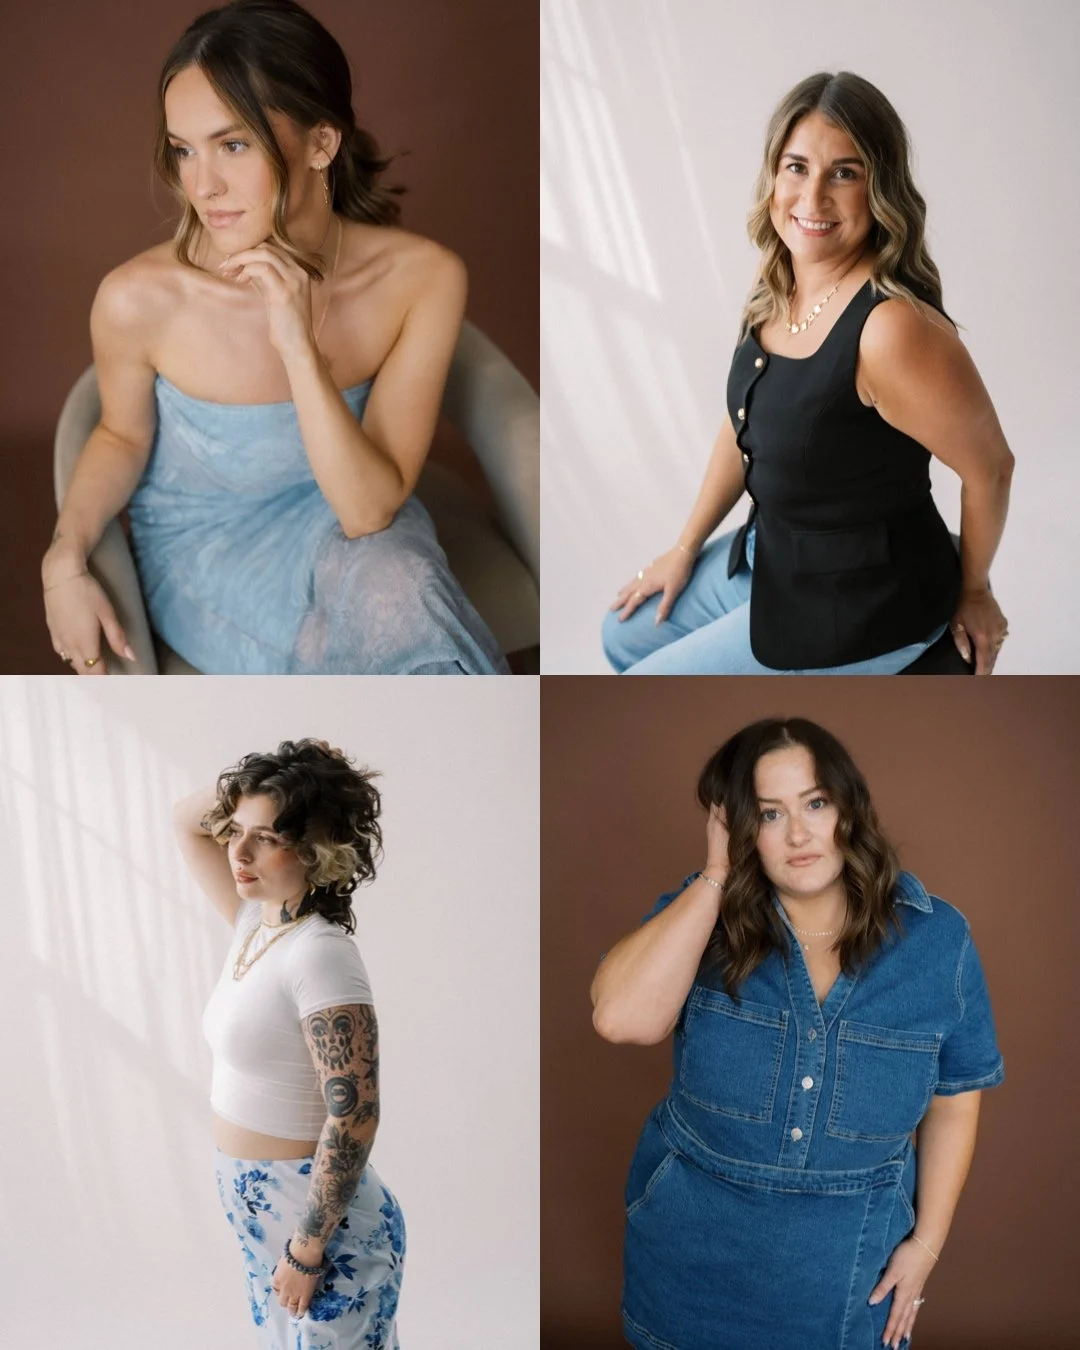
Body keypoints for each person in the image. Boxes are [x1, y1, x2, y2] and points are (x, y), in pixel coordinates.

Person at [43, 0, 507, 676]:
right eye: (183, 150)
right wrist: (63, 559)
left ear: (322, 145)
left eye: (233, 145)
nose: (202, 186)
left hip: (355, 521)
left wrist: (297, 345)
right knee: (348, 645)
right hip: (211, 548)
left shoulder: (423, 278)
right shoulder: (137, 298)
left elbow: (367, 512)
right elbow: (121, 436)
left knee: (402, 587)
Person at [591, 718, 1004, 1350]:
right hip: (687, 1272)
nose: (799, 834)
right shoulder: (701, 923)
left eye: (815, 803)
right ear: (736, 827)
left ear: (849, 808)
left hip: (847, 1282)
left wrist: (927, 1243)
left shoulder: (937, 939)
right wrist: (715, 874)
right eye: (768, 813)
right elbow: (621, 1019)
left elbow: (954, 1099)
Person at [603, 71, 1013, 676]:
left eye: (844, 173)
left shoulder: (891, 329)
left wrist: (975, 591)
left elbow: (991, 468)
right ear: (773, 174)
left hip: (857, 598)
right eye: (797, 167)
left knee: (641, 682)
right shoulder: (777, 283)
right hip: (774, 554)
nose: (813, 198)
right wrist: (684, 548)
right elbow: (744, 424)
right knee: (621, 635)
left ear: (880, 190)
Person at [174, 738, 405, 1347]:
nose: (238, 851)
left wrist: (306, 1249)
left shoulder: (319, 953)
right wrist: (283, 773)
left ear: (315, 847)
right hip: (263, 1216)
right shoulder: (257, 921)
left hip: (321, 1233)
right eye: (236, 830)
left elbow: (354, 1113)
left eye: (267, 837)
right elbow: (183, 820)